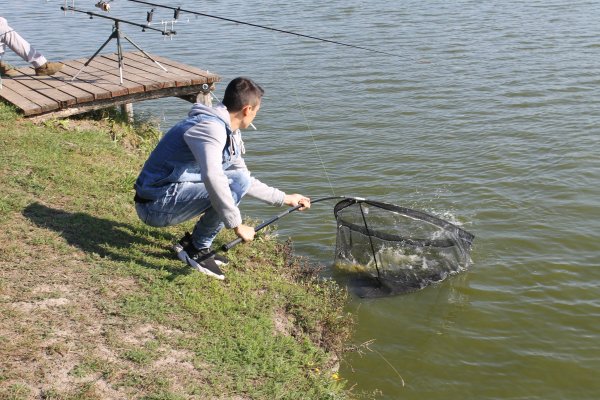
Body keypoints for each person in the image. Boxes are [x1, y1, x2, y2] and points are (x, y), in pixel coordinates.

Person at [133, 77, 311, 280]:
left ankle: (195, 243)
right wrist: (237, 225)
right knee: (230, 183)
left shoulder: (228, 129)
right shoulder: (211, 129)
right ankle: (197, 249)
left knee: (238, 180)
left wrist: (285, 198)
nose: (255, 116)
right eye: (256, 112)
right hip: (154, 205)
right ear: (247, 109)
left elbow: (243, 179)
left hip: (169, 194)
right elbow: (213, 176)